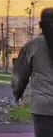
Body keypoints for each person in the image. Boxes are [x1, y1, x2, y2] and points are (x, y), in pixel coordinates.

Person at [13, 8, 53, 136]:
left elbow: (19, 75)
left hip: (43, 108)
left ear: (41, 25)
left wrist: (17, 93)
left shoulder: (32, 46)